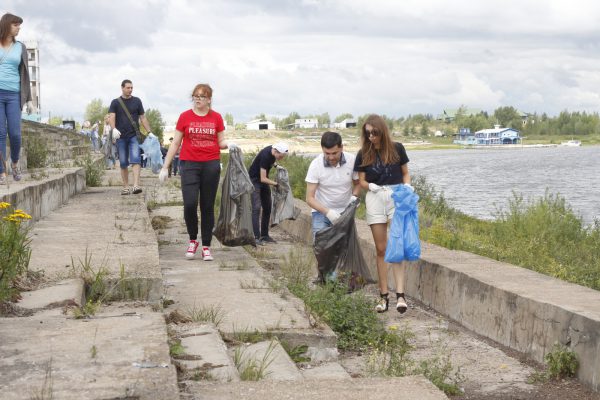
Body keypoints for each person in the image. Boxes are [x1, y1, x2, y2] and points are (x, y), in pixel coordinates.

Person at [159, 83, 235, 261]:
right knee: (190, 204)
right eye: (196, 96)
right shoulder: (185, 117)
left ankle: (206, 245)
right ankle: (193, 240)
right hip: (189, 164)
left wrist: (230, 145)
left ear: (209, 99)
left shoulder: (216, 117)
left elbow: (221, 141)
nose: (198, 99)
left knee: (207, 206)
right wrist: (165, 166)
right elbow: (176, 143)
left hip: (211, 164)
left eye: (202, 96)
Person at [354, 114, 412, 314]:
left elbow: (405, 172)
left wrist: (408, 188)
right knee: (381, 248)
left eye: (374, 132)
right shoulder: (363, 153)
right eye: (367, 133)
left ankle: (401, 296)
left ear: (382, 131)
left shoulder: (397, 148)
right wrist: (370, 185)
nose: (371, 137)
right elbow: (360, 181)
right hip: (375, 196)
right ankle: (383, 296)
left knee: (397, 245)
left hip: (396, 195)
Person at [306, 131, 361, 281]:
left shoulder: (352, 160)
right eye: (327, 153)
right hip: (321, 211)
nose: (330, 157)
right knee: (321, 246)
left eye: (334, 153)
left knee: (341, 248)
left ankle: (335, 278)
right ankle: (324, 276)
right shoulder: (316, 165)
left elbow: (358, 184)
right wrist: (328, 212)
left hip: (345, 212)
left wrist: (354, 197)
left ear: (342, 147)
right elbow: (309, 198)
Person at [0, 13, 32, 185]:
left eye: (19, 25)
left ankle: (14, 162)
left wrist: (28, 99)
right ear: (6, 25)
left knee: (15, 134)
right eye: (15, 25)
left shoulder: (21, 47)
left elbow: (25, 74)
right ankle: (1, 171)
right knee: (0, 133)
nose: (19, 28)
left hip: (14, 94)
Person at [108, 79, 154, 195]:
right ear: (122, 88)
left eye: (131, 88)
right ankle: (126, 187)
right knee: (123, 162)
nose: (130, 90)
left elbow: (143, 117)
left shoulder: (137, 101)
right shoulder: (115, 102)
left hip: (134, 135)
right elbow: (111, 116)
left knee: (136, 160)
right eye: (128, 88)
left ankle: (136, 185)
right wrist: (113, 129)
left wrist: (149, 132)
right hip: (121, 137)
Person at [248, 142, 288, 244]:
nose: (281, 158)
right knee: (256, 208)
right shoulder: (266, 155)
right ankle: (256, 237)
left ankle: (264, 235)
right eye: (281, 156)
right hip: (254, 180)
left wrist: (276, 165)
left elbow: (270, 161)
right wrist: (276, 184)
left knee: (267, 207)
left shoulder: (273, 150)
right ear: (275, 151)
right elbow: (263, 178)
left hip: (263, 181)